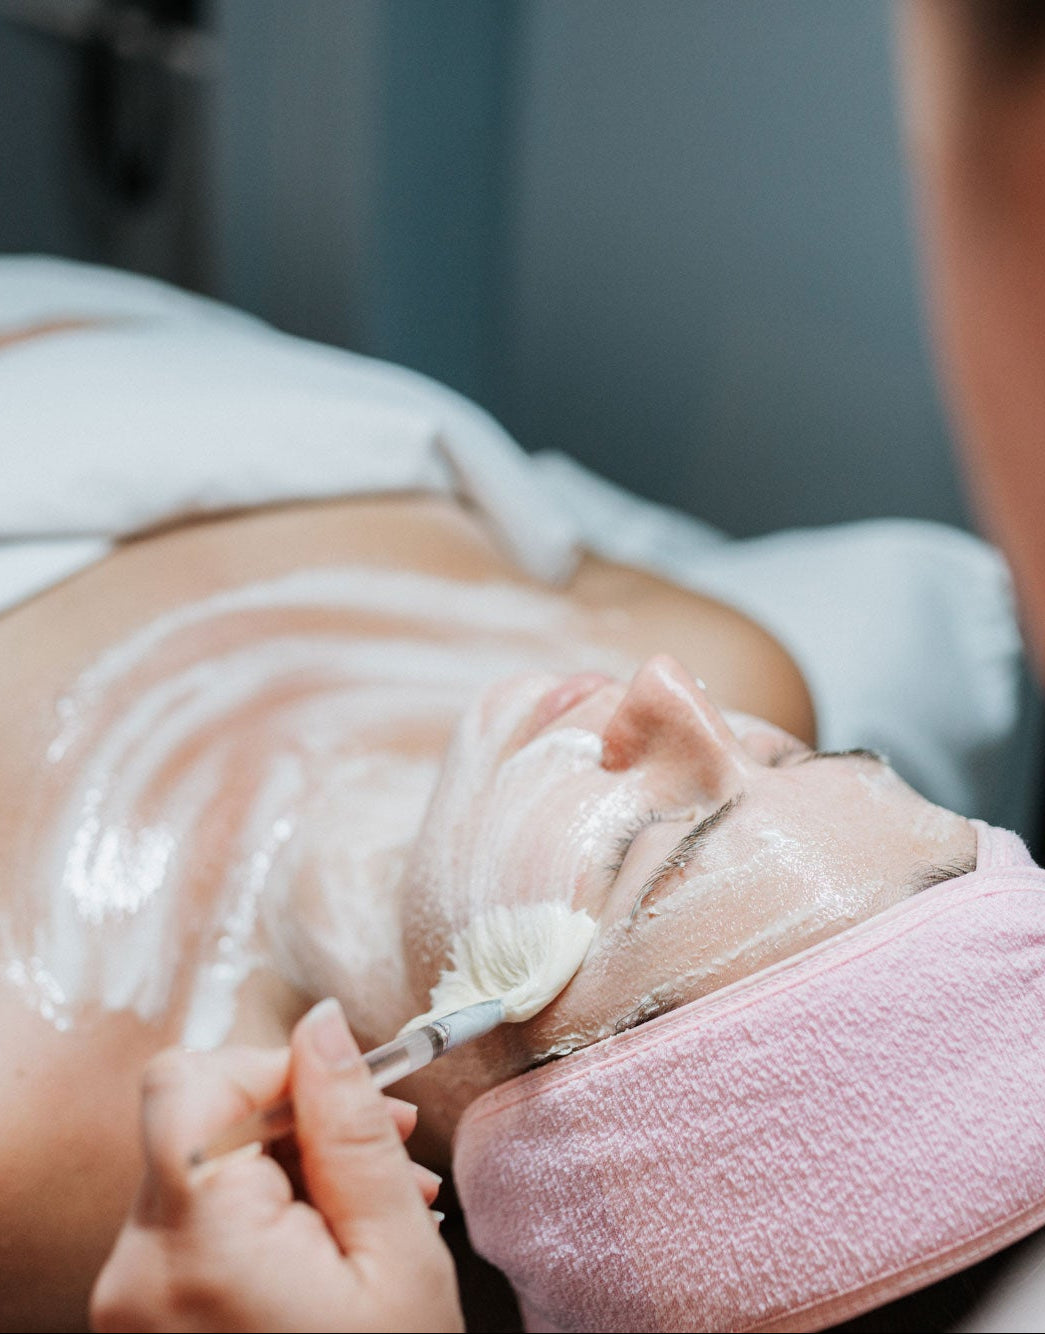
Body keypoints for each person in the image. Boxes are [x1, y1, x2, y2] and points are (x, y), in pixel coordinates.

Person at [0, 260, 1024, 1331]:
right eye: (805, 764)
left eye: (643, 848)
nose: (674, 693)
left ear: (485, 1077)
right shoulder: (740, 658)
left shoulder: (39, 1138)